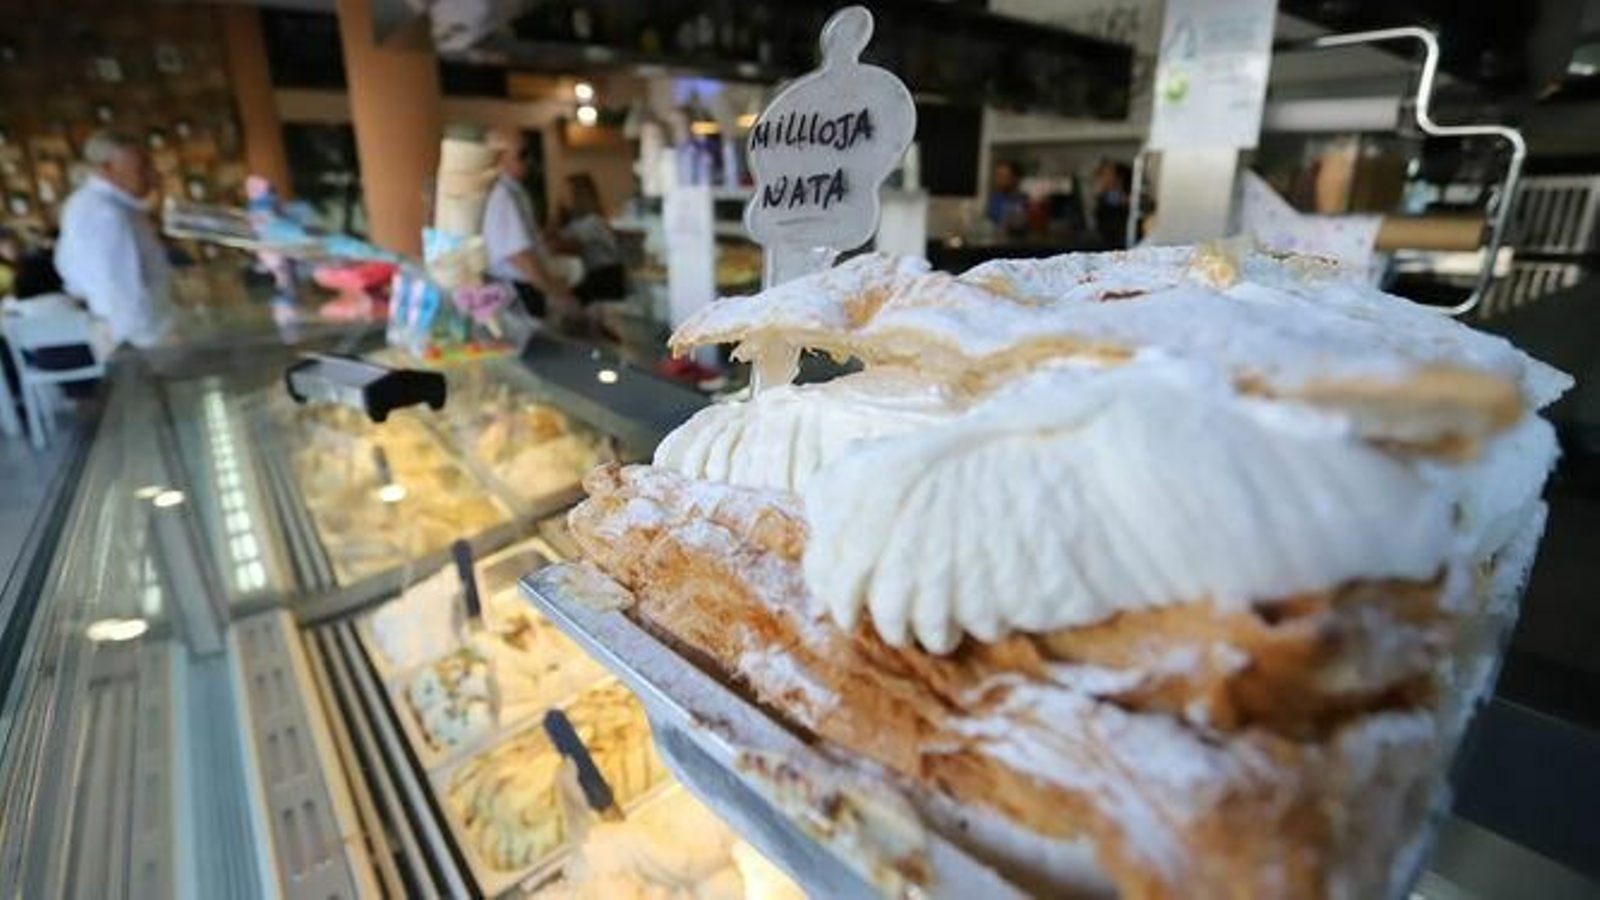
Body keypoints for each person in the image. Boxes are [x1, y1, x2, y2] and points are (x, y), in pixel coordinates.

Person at [54, 130, 172, 349]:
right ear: (106, 169)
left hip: (125, 333)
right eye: (141, 168)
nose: (152, 175)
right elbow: (120, 290)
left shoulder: (85, 203)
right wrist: (152, 342)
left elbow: (66, 267)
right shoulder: (104, 213)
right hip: (136, 340)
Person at [481, 127, 579, 324]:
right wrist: (552, 288)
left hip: (520, 287)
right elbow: (519, 255)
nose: (529, 160)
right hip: (517, 291)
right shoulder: (503, 196)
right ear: (500, 157)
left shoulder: (512, 191)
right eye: (522, 154)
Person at [549, 173, 625, 303]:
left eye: (566, 193)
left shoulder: (593, 221)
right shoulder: (576, 222)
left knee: (565, 299)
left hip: (606, 276)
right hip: (594, 275)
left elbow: (563, 246)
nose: (561, 197)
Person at [984, 159, 1029, 237]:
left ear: (1015, 178)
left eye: (1003, 176)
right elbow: (989, 223)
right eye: (997, 176)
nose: (998, 180)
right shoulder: (995, 198)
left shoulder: (1026, 200)